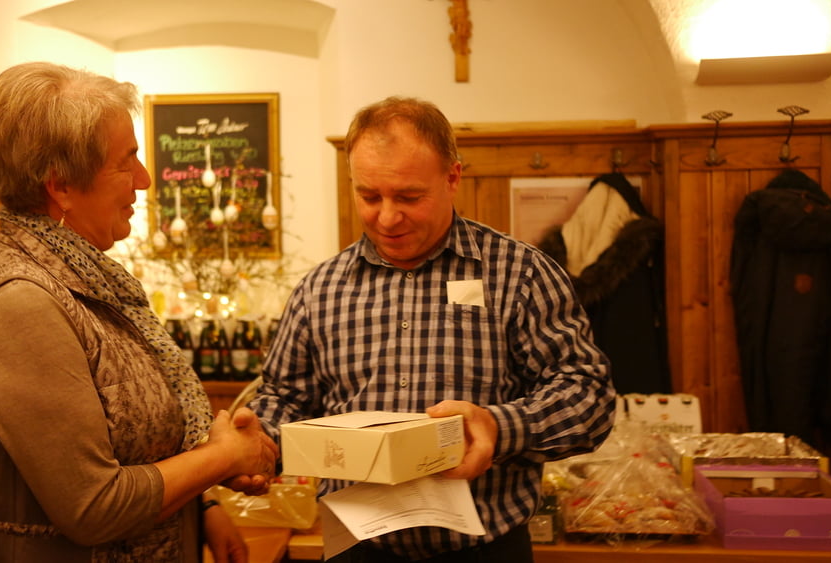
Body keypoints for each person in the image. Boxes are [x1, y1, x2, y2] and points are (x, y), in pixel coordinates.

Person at [248, 96, 616, 562]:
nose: (387, 217)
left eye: (409, 197)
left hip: (484, 552)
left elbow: (589, 397)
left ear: (452, 177)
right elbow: (285, 398)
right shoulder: (319, 288)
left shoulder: (520, 273)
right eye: (369, 196)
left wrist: (498, 427)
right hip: (357, 550)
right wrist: (256, 443)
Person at [0, 61, 278, 563]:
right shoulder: (21, 302)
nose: (144, 180)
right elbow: (94, 507)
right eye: (127, 162)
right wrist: (223, 456)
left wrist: (204, 502)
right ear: (61, 186)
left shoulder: (88, 278)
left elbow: (140, 446)